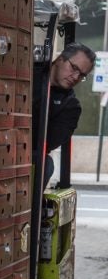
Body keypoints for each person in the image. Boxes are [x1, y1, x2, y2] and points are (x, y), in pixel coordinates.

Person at [32, 42, 96, 187]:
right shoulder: (30, 74)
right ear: (60, 59)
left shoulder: (71, 106)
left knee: (45, 163)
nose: (75, 77)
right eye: (74, 68)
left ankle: (28, 208)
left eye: (82, 75)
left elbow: (48, 142)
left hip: (28, 152)